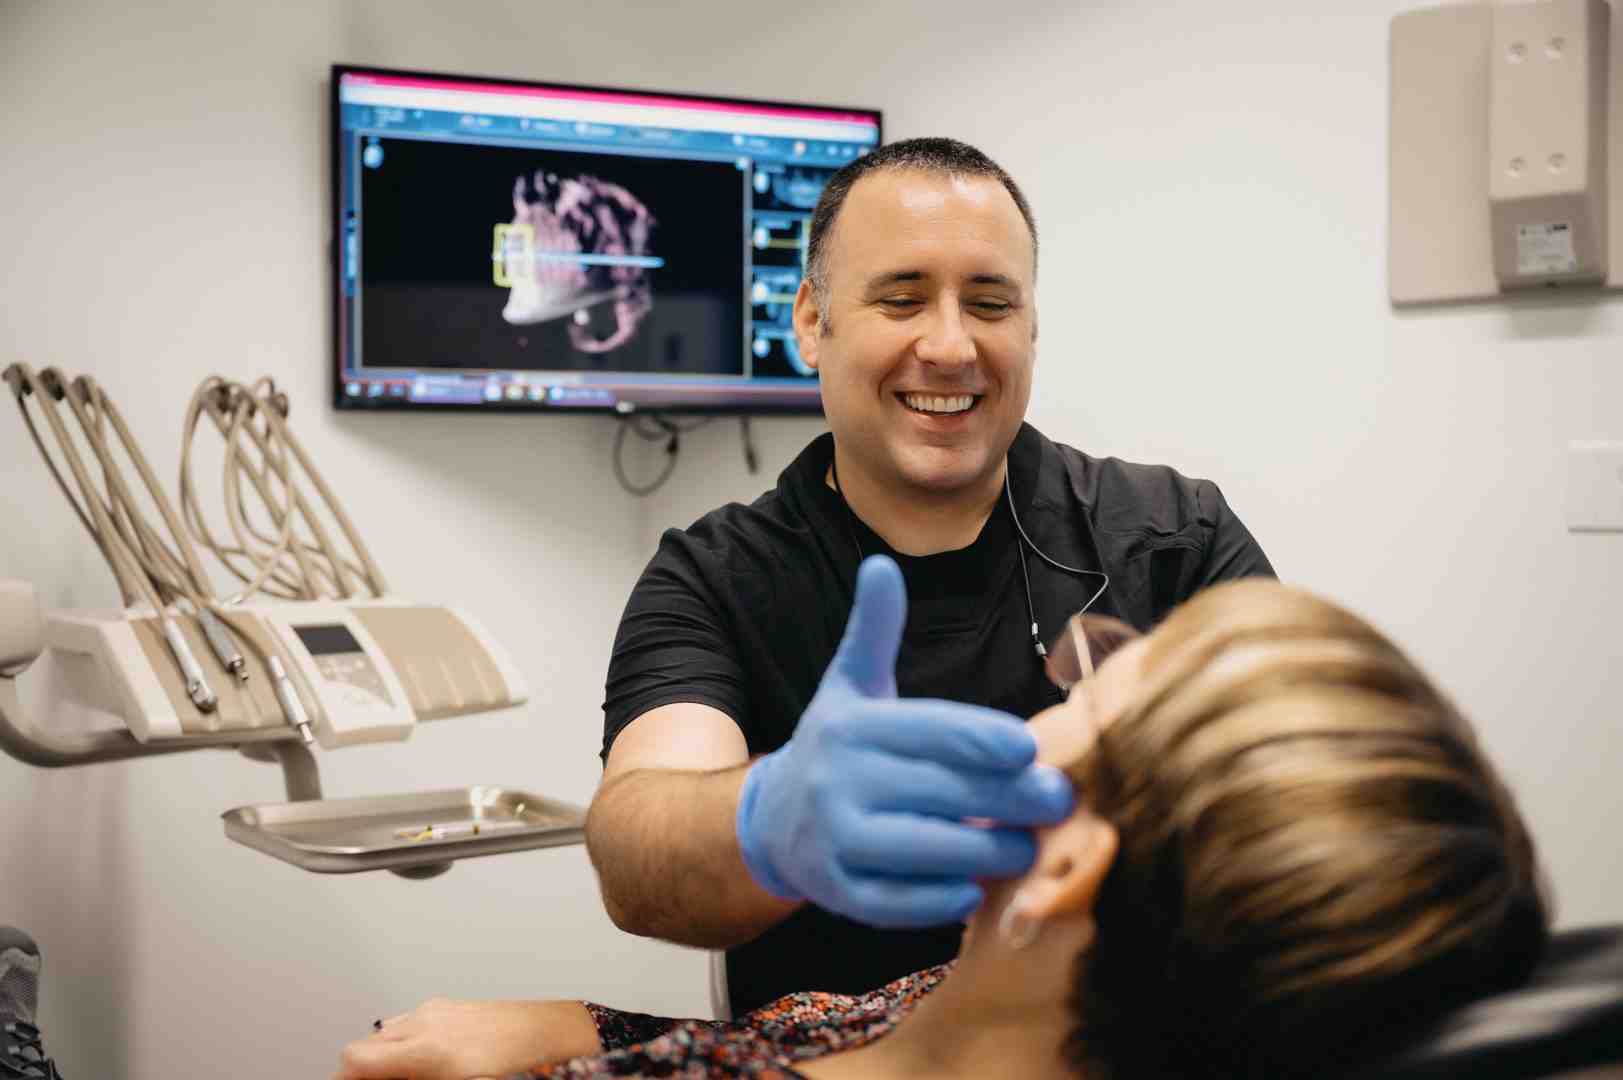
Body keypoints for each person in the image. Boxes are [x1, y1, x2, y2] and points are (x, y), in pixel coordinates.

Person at [334, 570, 1547, 1080]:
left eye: (1088, 695)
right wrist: (568, 1028)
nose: (1046, 701)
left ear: (1068, 866)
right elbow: (793, 1044)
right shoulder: (977, 1011)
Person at [587, 136, 1276, 1019]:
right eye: (901, 298)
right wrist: (768, 818)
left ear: (1030, 329)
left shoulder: (1176, 536)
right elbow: (635, 854)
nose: (951, 346)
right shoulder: (714, 578)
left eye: (990, 304)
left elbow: (1309, 798)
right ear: (812, 322)